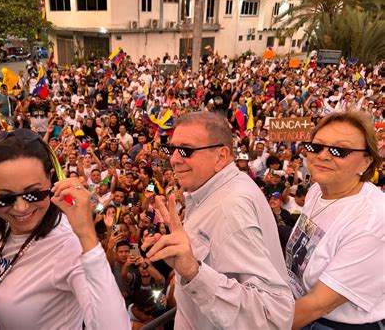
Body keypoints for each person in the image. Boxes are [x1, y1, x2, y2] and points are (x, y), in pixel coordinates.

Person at [0, 129, 130, 329]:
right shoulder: (5, 228)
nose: (21, 208)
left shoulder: (68, 246)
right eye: (5, 197)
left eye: (33, 193)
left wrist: (87, 236)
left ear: (51, 179)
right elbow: (22, 305)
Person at [147, 111, 294, 329]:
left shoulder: (230, 209)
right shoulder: (215, 189)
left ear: (221, 156)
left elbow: (273, 316)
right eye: (171, 149)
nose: (174, 159)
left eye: (186, 151)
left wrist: (194, 273)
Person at [285, 112, 384, 329]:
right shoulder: (317, 190)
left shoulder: (373, 221)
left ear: (366, 162)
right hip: (293, 305)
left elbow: (318, 304)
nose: (323, 155)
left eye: (340, 150)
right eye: (316, 146)